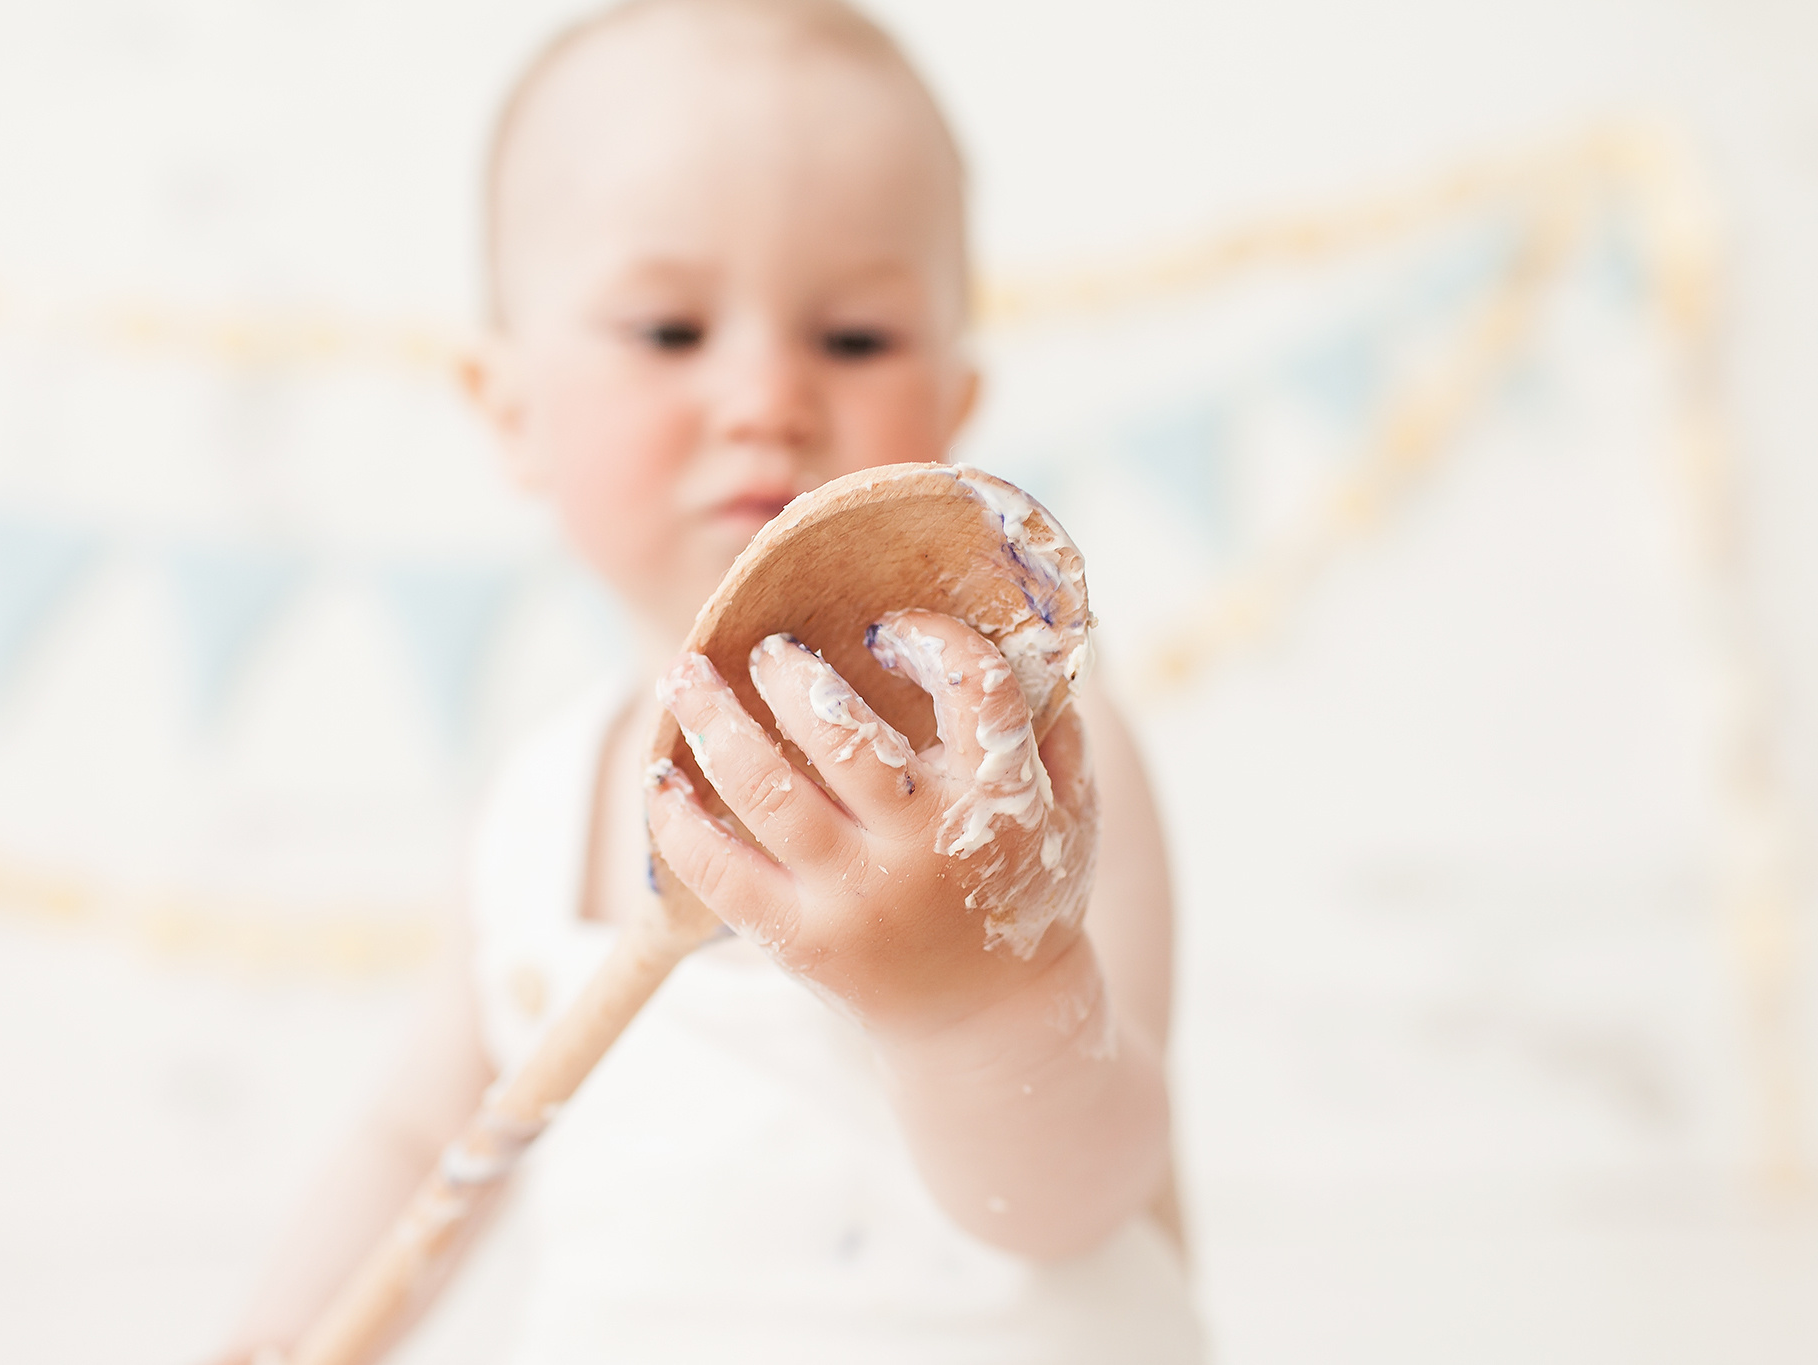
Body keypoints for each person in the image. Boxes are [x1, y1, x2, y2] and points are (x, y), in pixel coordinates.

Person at [215, 1, 1202, 1359]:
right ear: (510, 413)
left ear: (957, 410)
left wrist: (977, 1001)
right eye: (671, 331)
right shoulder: (537, 799)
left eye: (854, 338)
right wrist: (282, 1330)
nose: (766, 397)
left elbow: (1081, 1198)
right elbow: (421, 1134)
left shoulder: (1019, 764)